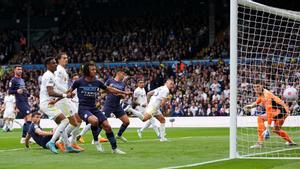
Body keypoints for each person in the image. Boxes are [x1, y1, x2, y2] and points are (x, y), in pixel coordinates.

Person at [68, 61, 131, 154]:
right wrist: (67, 95)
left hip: (93, 108)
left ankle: (114, 149)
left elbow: (109, 89)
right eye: (92, 69)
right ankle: (96, 141)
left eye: (95, 69)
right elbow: (69, 91)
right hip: (83, 109)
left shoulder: (97, 82)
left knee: (107, 127)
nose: (95, 71)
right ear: (87, 71)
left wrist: (124, 93)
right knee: (94, 121)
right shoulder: (78, 82)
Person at [39, 57, 80, 154]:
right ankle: (52, 142)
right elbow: (50, 92)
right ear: (48, 65)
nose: (55, 65)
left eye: (55, 63)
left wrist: (69, 92)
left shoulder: (51, 75)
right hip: (47, 103)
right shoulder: (48, 76)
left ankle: (67, 146)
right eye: (53, 63)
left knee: (61, 124)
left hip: (50, 103)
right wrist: (65, 95)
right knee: (65, 120)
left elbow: (58, 86)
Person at [243, 80, 296, 148]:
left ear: (262, 86)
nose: (256, 88)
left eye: (258, 86)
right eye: (254, 87)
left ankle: (259, 143)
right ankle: (291, 142)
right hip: (283, 111)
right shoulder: (262, 93)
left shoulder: (267, 96)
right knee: (276, 130)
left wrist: (268, 128)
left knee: (260, 118)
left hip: (280, 111)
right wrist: (251, 106)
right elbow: (259, 100)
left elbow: (269, 113)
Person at [53, 53, 84, 152]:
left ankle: (71, 142)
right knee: (72, 122)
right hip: (62, 99)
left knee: (78, 120)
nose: (66, 59)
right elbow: (56, 84)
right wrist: (67, 91)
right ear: (58, 60)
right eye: (64, 58)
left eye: (67, 58)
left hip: (66, 98)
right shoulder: (58, 70)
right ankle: (61, 141)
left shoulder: (63, 70)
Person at [102, 71, 131, 142]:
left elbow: (123, 96)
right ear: (118, 74)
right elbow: (103, 90)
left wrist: (121, 95)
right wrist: (111, 90)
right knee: (102, 121)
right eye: (123, 74)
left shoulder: (122, 84)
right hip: (109, 104)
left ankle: (119, 135)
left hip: (117, 105)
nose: (124, 76)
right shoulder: (110, 80)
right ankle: (96, 138)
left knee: (126, 122)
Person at [9, 65, 31, 143]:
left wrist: (27, 94)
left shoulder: (22, 80)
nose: (20, 70)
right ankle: (30, 137)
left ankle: (23, 138)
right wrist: (16, 91)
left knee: (26, 119)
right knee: (29, 117)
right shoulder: (13, 80)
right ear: (15, 70)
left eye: (21, 69)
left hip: (25, 100)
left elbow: (23, 90)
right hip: (20, 101)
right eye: (18, 69)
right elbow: (9, 91)